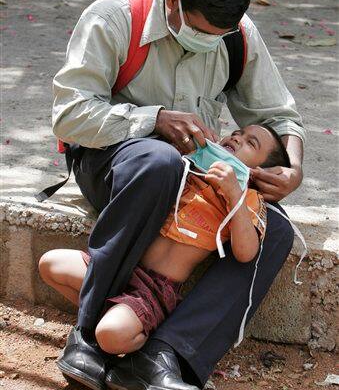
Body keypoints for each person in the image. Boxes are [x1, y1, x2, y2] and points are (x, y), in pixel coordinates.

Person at [51, 0, 305, 390]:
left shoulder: (236, 33)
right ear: (174, 1)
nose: (211, 43)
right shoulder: (115, 17)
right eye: (201, 31)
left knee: (278, 232)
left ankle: (167, 354)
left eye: (220, 36)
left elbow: (278, 116)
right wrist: (153, 120)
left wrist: (292, 166)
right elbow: (69, 117)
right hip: (118, 164)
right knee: (159, 161)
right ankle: (88, 333)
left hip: (193, 182)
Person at [40, 125, 289, 351]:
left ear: (258, 172)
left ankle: (141, 336)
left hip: (154, 288)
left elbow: (246, 253)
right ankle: (115, 313)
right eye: (238, 132)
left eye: (250, 143)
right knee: (50, 264)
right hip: (119, 267)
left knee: (109, 335)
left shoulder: (248, 200)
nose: (237, 137)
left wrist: (234, 193)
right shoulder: (190, 169)